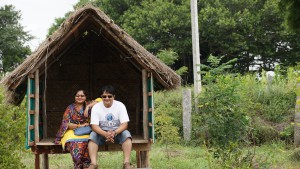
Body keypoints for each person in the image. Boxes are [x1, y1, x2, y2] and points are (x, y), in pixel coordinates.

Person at [88, 85, 132, 169]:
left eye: (109, 96)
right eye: (104, 96)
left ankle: (126, 163)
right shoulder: (96, 107)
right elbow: (94, 126)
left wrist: (114, 133)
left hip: (116, 133)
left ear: (114, 97)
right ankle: (93, 164)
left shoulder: (120, 105)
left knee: (126, 134)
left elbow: (125, 124)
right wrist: (105, 133)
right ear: (101, 97)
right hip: (102, 134)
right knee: (93, 135)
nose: (107, 98)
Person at [54, 89, 99, 169]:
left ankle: (87, 165)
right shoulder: (70, 108)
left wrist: (88, 107)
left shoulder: (89, 104)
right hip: (73, 131)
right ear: (74, 97)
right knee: (75, 144)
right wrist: (79, 126)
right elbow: (66, 124)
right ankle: (78, 165)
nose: (80, 97)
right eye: (77, 96)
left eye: (82, 96)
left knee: (89, 141)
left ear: (85, 97)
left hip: (88, 130)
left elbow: (101, 101)